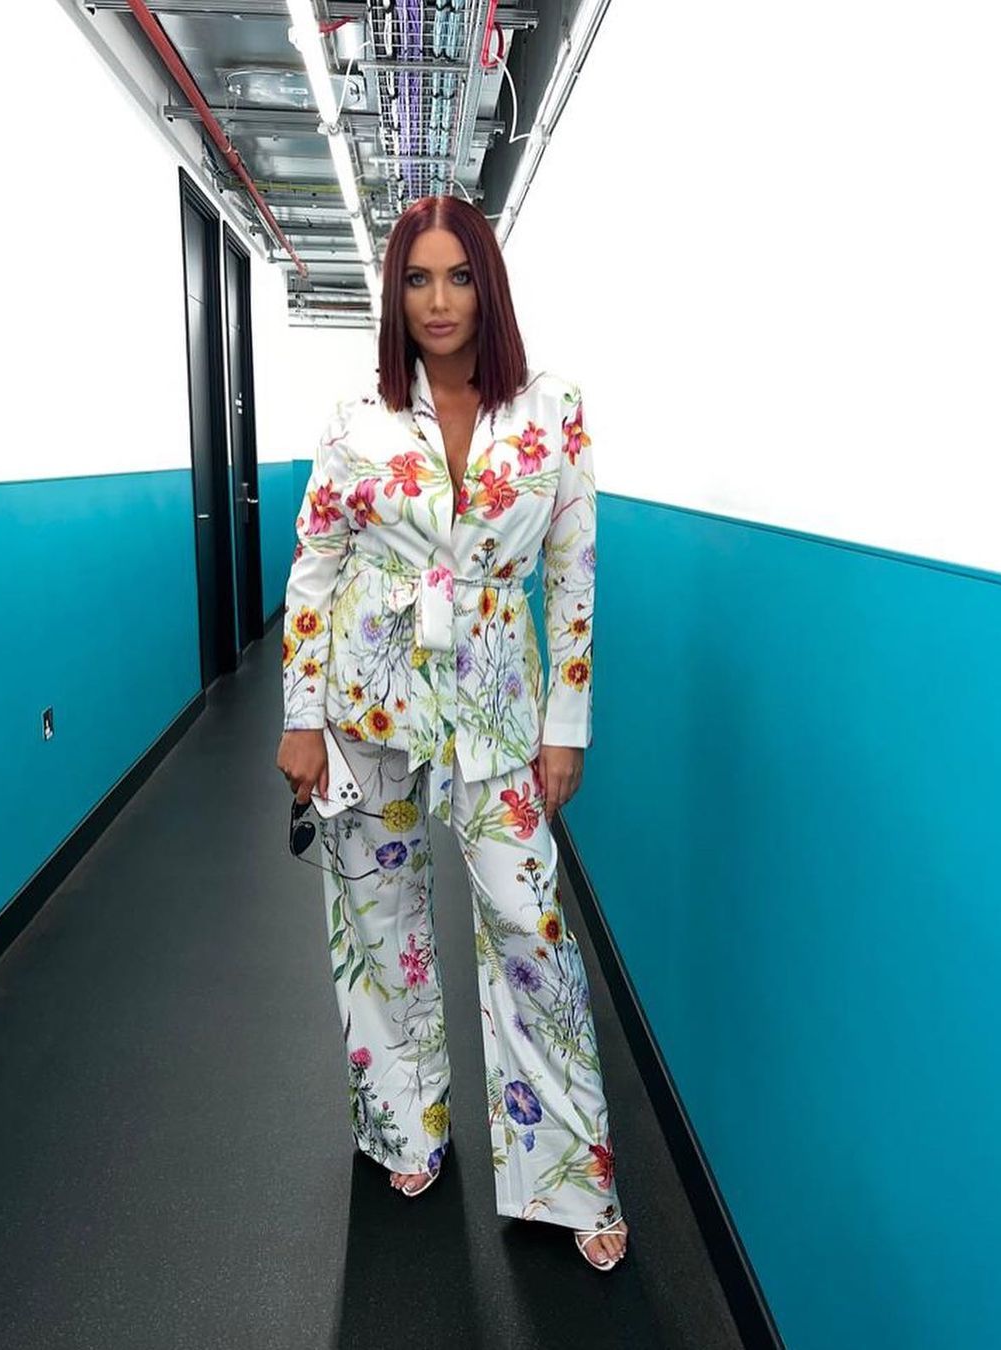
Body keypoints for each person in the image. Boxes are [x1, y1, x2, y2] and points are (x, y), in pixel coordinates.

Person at [275, 195, 629, 1271]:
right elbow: (315, 567)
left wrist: (566, 725)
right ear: (396, 295)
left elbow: (572, 574)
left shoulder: (553, 408)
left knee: (530, 925)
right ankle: (405, 1124)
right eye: (418, 280)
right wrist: (301, 716)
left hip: (495, 702)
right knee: (380, 920)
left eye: (459, 277)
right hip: (369, 695)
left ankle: (567, 1176)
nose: (439, 301)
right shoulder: (358, 419)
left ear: (489, 285)